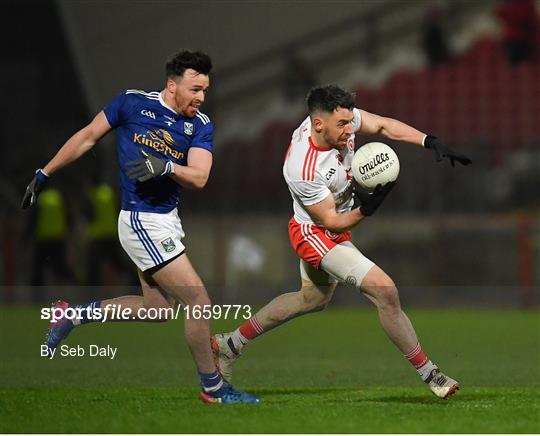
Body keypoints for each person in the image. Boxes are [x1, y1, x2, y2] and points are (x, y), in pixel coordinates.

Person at [21, 50, 259, 404]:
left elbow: (200, 176)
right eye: (194, 89)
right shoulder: (131, 104)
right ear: (171, 85)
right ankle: (213, 389)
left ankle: (71, 316)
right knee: (199, 301)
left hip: (167, 221)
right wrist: (45, 172)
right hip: (139, 219)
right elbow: (87, 136)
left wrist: (166, 168)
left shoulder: (200, 125)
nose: (201, 97)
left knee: (159, 309)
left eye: (205, 90)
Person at [211, 84, 472, 400]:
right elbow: (330, 221)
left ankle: (230, 344)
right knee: (384, 290)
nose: (351, 130)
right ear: (318, 125)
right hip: (315, 234)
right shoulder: (301, 168)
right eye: (344, 125)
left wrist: (428, 141)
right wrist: (368, 208)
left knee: (312, 299)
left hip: (331, 229)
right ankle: (430, 373)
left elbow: (384, 125)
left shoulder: (336, 121)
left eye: (351, 122)